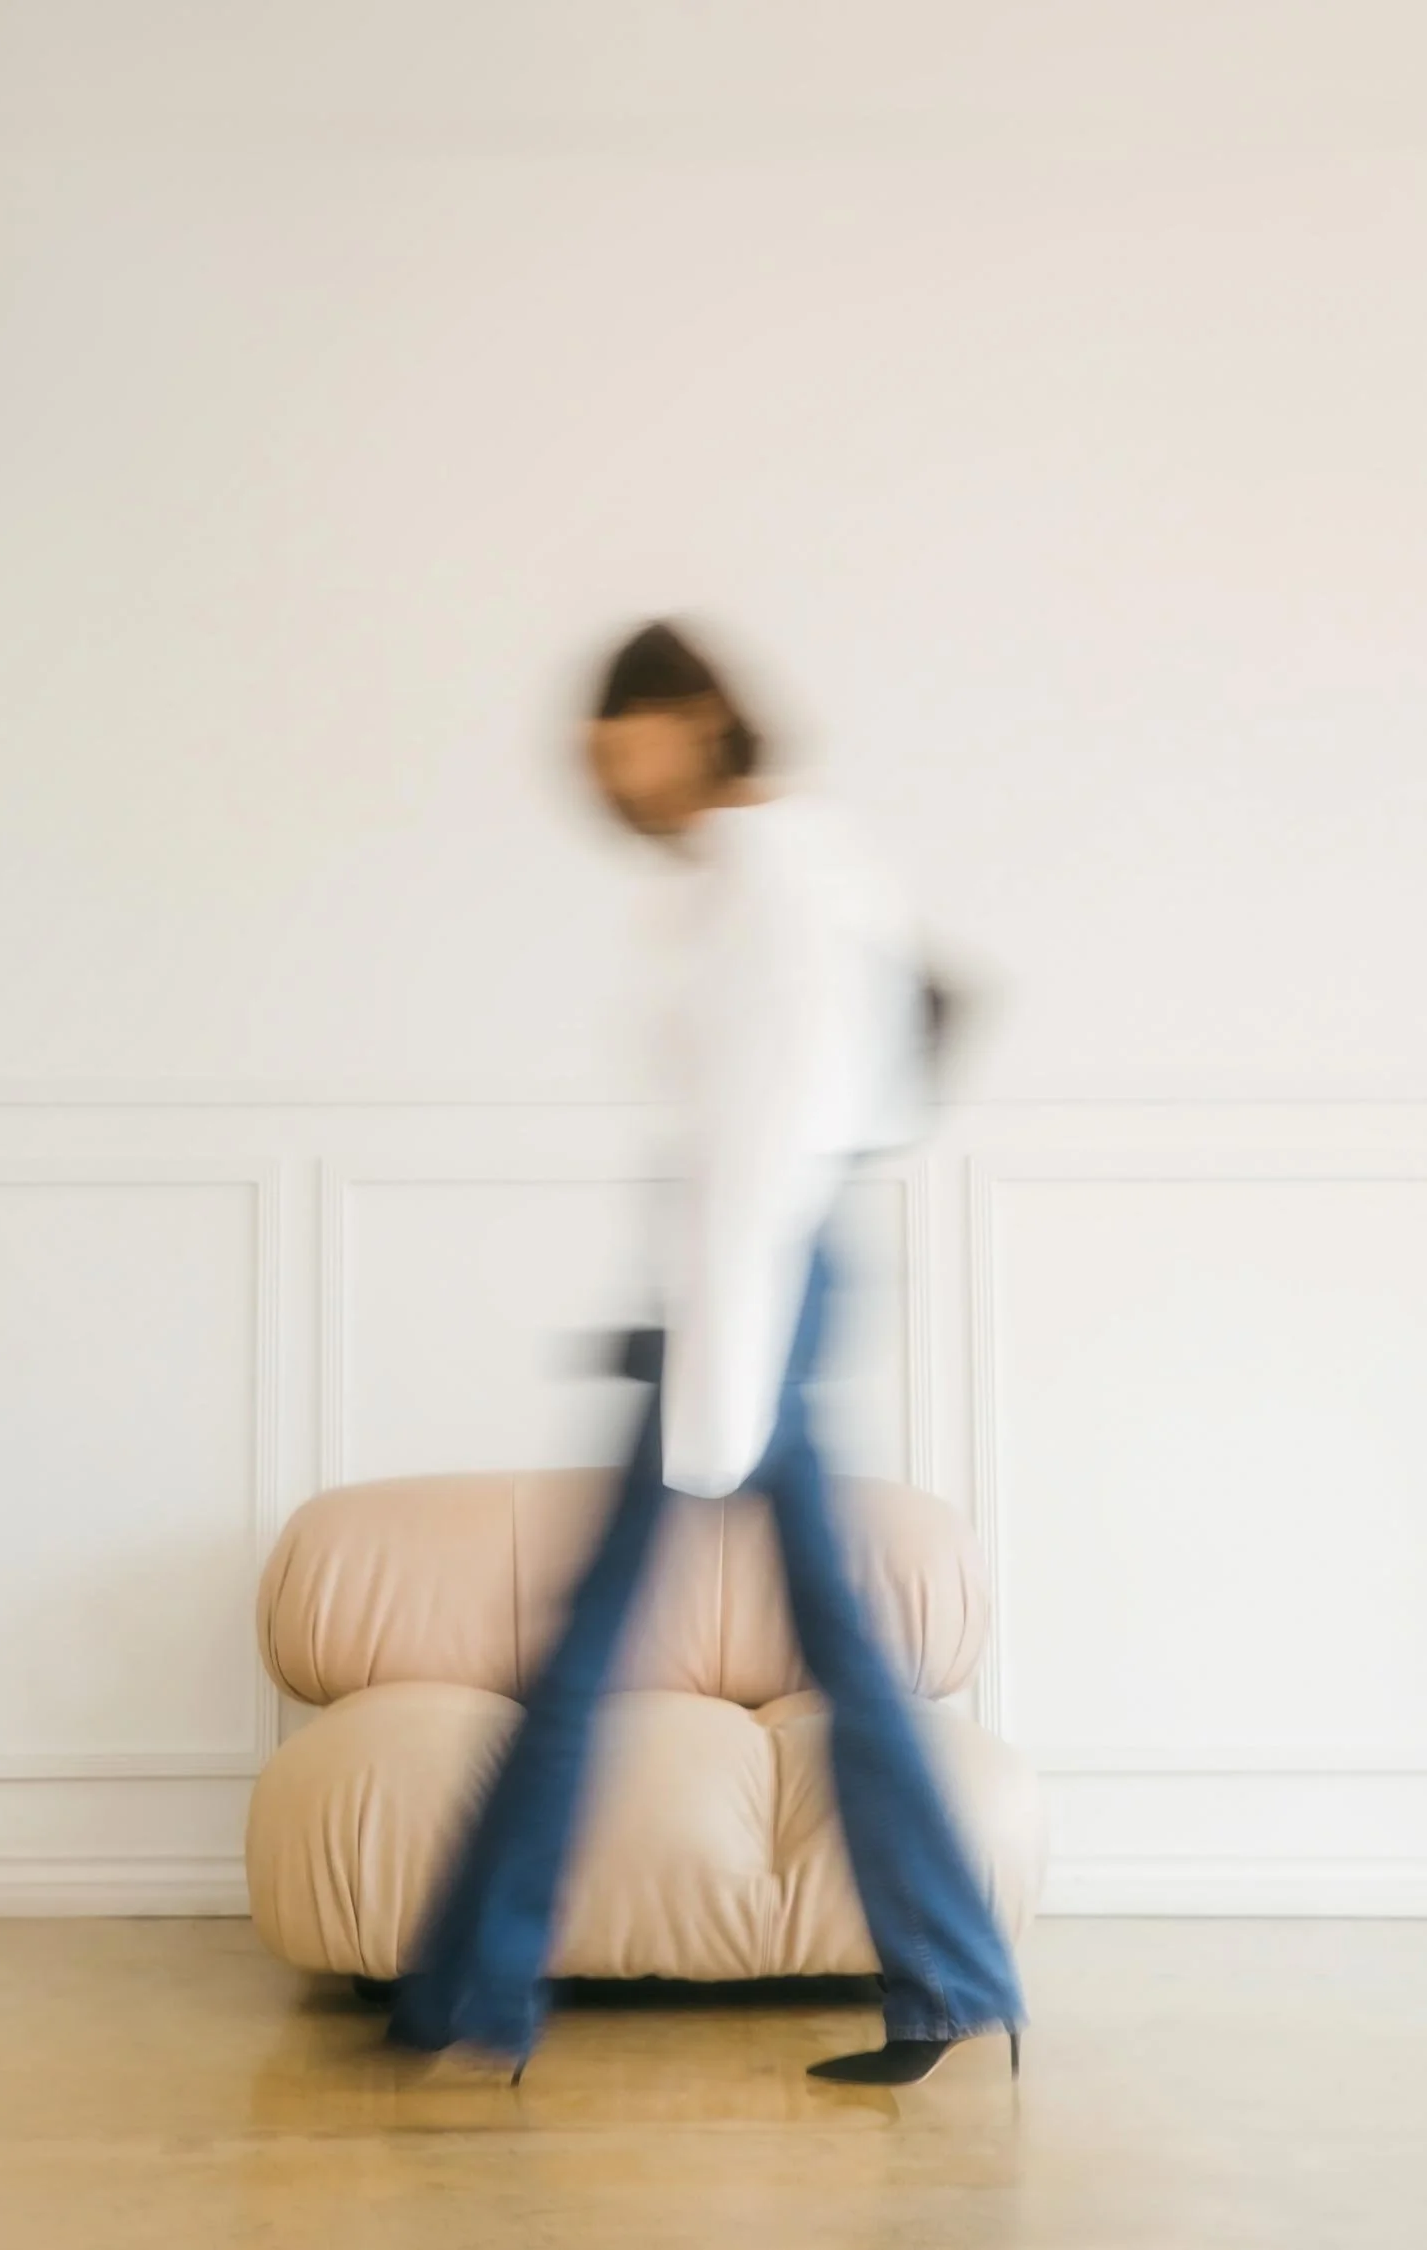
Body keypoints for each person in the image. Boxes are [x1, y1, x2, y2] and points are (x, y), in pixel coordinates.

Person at [387, 621, 1026, 2086]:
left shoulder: (777, 875)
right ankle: (945, 1978)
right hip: (747, 1283)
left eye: (624, 748)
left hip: (755, 1283)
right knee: (814, 1650)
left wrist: (717, 1391)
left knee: (592, 1648)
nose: (615, 784)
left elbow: (767, 1141)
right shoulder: (773, 867)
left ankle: (471, 1990)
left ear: (690, 719)